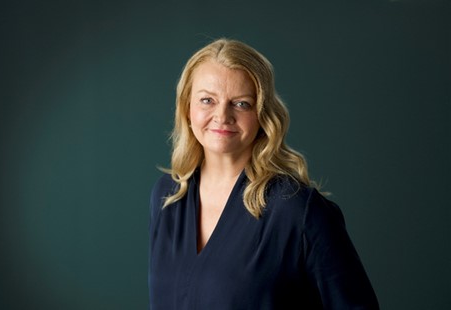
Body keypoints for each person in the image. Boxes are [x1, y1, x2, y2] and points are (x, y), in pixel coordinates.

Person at [148, 38, 379, 309]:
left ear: (263, 113)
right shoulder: (169, 196)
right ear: (187, 108)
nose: (222, 116)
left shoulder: (296, 209)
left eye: (242, 104)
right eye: (207, 100)